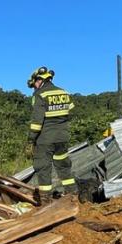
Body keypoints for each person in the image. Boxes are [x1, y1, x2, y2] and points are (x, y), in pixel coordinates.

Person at [27, 66, 77, 205]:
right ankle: (73, 196)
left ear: (39, 80)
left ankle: (45, 202)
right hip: (63, 137)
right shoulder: (64, 92)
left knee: (43, 168)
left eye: (34, 84)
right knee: (64, 167)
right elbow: (71, 111)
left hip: (45, 139)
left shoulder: (40, 95)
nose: (34, 88)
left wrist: (31, 140)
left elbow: (37, 122)